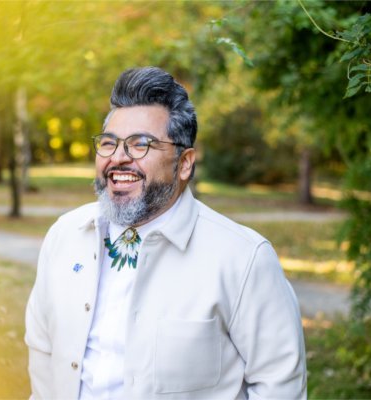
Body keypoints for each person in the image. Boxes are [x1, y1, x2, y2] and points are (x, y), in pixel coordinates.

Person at [25, 66, 307, 399]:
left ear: (184, 163)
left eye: (140, 145)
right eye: (108, 143)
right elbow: (42, 353)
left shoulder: (243, 259)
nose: (118, 158)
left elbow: (279, 385)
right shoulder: (64, 237)